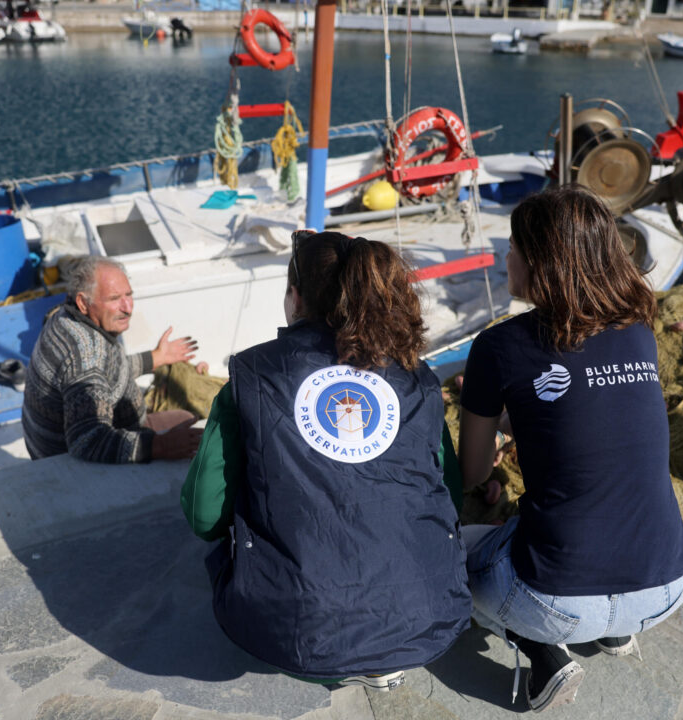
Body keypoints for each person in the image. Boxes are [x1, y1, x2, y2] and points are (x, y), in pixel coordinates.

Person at [181, 231, 471, 690]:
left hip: (291, 632)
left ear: (295, 298)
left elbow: (204, 515)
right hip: (428, 616)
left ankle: (351, 647)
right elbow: (448, 495)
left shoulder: (252, 375)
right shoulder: (419, 379)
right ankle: (378, 648)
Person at [457, 186, 683, 712]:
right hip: (670, 588)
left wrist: (493, 432)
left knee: (454, 548)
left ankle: (542, 651)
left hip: (555, 601)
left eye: (514, 247)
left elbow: (472, 473)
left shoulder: (499, 346)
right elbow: (594, 412)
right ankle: (616, 630)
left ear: (540, 261)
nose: (507, 257)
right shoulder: (638, 331)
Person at [22, 255, 202, 463]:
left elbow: (108, 368)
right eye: (114, 299)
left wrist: (154, 358)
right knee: (192, 426)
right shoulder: (86, 356)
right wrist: (159, 445)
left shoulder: (65, 315)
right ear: (83, 302)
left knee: (186, 422)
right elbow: (87, 441)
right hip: (70, 463)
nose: (127, 308)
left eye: (129, 295)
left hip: (51, 441)